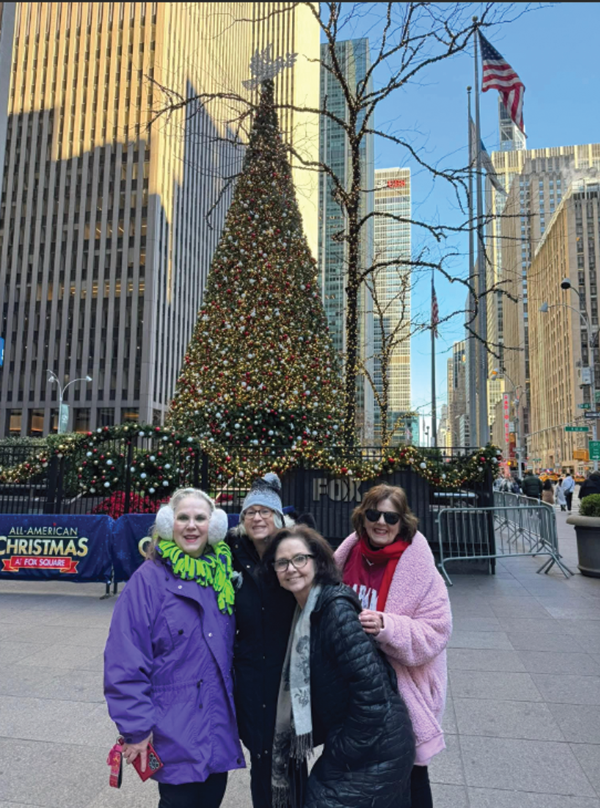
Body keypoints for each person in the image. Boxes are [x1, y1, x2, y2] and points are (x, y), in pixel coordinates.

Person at [104, 488, 244, 808]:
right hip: (174, 730)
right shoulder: (148, 581)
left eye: (200, 518)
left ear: (215, 526)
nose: (191, 526)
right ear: (169, 524)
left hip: (217, 727)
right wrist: (136, 728)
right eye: (183, 517)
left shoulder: (222, 577)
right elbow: (124, 660)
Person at [264, 525, 415, 808]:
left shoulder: (335, 610)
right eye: (281, 562)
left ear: (318, 561)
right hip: (364, 738)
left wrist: (340, 750)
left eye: (300, 559)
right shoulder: (303, 611)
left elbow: (372, 695)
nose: (291, 568)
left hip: (379, 744)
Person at [335, 484, 452, 808]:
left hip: (400, 691)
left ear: (403, 521)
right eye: (374, 514)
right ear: (363, 516)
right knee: (360, 780)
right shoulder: (348, 556)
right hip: (355, 690)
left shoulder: (421, 568)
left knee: (410, 781)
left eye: (391, 516)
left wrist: (388, 627)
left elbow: (438, 631)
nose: (381, 522)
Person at [227, 472, 306, 808]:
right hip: (248, 673)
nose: (257, 518)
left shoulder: (293, 552)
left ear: (278, 517)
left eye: (265, 511)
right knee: (260, 755)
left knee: (290, 758)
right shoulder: (230, 554)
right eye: (250, 512)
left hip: (287, 675)